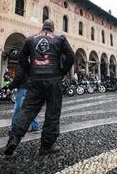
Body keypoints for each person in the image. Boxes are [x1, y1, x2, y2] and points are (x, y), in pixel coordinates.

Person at [4, 19, 75, 156]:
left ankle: (13, 140)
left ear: (42, 27)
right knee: (52, 113)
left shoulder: (30, 39)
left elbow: (21, 58)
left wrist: (31, 71)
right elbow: (71, 56)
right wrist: (63, 71)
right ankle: (46, 146)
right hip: (54, 79)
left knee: (27, 110)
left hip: (35, 80)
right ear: (53, 28)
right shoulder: (59, 39)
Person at [8, 66, 40, 133]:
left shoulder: (22, 66)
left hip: (23, 89)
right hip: (32, 89)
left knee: (18, 108)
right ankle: (36, 126)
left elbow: (18, 78)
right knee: (30, 108)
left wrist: (10, 87)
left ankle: (13, 127)